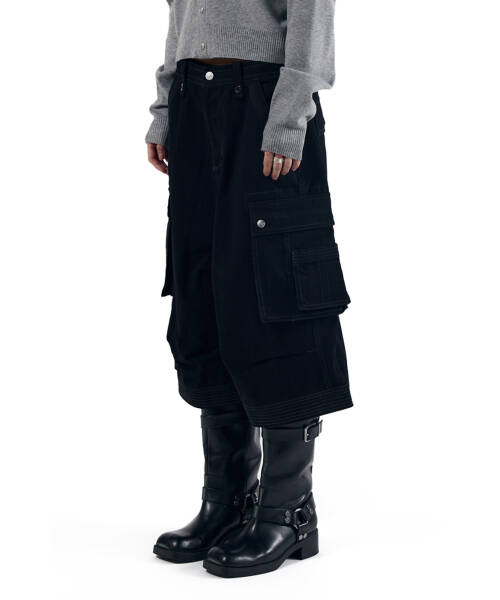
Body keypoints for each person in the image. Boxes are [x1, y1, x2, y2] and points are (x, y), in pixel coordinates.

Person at [145, 0, 352, 578]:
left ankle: (288, 510)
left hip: (263, 102)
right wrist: (165, 110)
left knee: (275, 290)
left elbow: (312, 17)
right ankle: (227, 501)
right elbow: (180, 18)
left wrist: (287, 118)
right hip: (193, 100)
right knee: (205, 291)